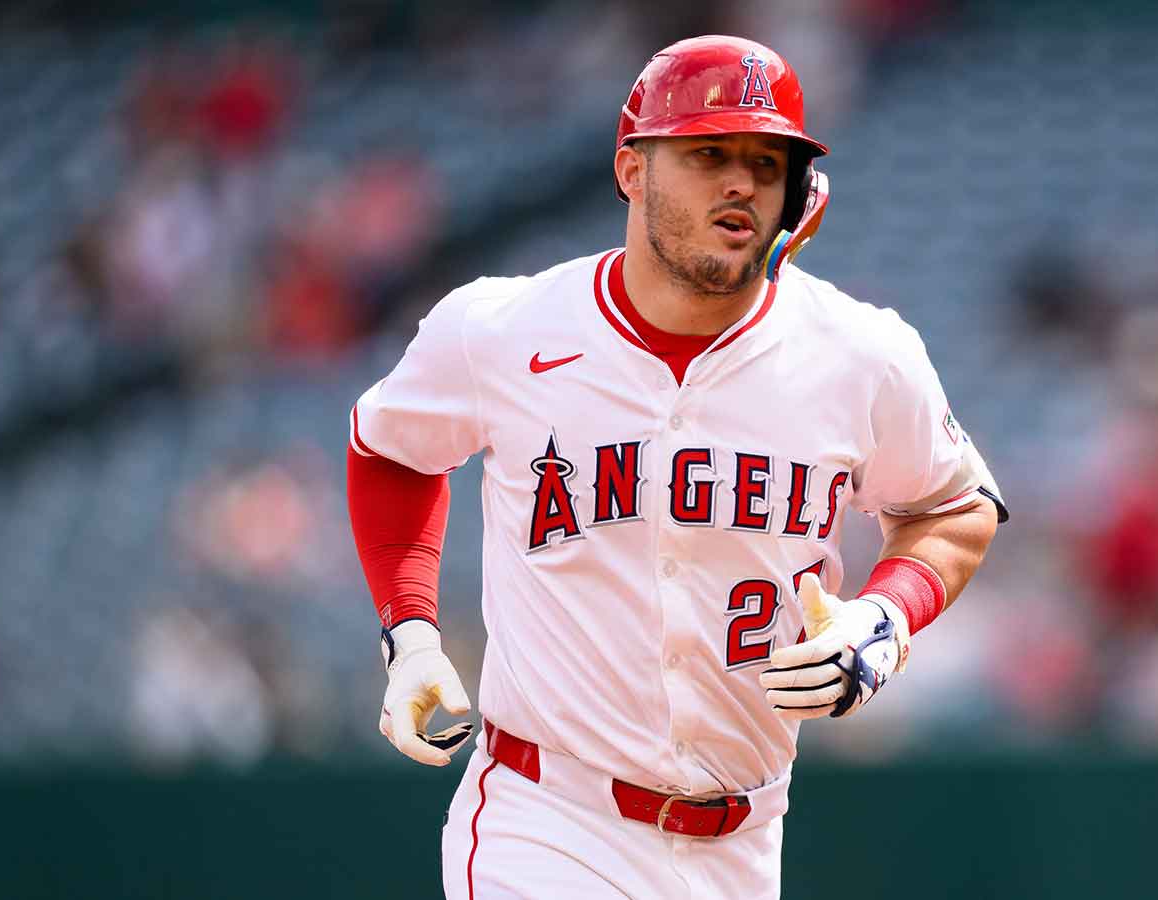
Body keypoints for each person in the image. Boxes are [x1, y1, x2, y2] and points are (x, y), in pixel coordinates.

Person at [346, 34, 1005, 899]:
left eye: (768, 163)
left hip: (745, 842)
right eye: (708, 154)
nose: (742, 182)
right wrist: (413, 634)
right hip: (548, 819)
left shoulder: (860, 354)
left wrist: (886, 617)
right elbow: (391, 449)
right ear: (632, 170)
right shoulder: (502, 331)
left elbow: (956, 506)